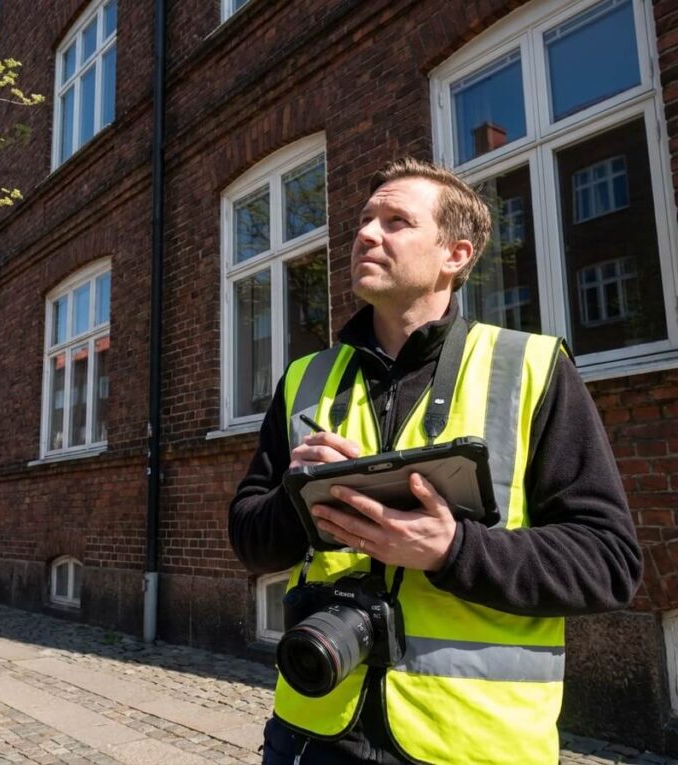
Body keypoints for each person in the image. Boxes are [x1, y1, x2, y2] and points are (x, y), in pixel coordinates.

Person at [228, 157, 642, 765]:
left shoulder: (530, 368)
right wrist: (300, 498)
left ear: (455, 255)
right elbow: (249, 539)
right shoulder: (304, 379)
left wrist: (454, 550)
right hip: (312, 723)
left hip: (472, 745)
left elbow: (609, 562)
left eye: (397, 222)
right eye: (365, 220)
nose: (366, 233)